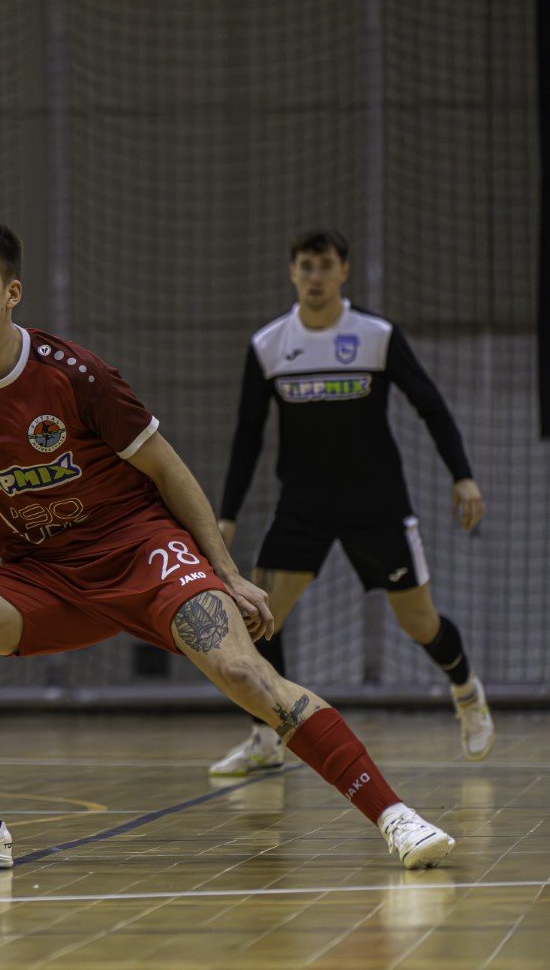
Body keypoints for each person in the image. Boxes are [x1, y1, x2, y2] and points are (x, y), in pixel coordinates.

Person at [0, 220, 455, 873]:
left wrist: (226, 572)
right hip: (43, 579)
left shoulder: (74, 374)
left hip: (145, 558)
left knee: (248, 679)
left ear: (12, 294)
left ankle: (395, 816)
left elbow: (167, 468)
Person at [209, 230, 491, 776]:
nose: (315, 276)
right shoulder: (270, 344)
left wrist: (464, 476)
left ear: (344, 271)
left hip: (377, 502)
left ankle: (467, 691)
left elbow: (431, 405)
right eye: (305, 266)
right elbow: (248, 434)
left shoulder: (376, 336)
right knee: (260, 621)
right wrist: (227, 513)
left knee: (420, 623)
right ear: (292, 273)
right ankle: (266, 736)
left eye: (325, 266)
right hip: (304, 504)